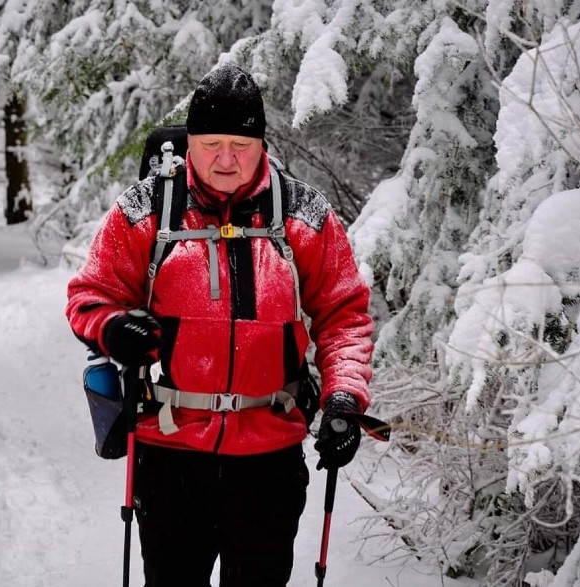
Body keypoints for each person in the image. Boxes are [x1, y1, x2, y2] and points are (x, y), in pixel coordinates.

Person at [66, 64, 373, 587]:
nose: (225, 159)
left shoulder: (304, 215)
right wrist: (114, 328)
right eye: (211, 143)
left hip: (269, 458)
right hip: (169, 453)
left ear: (261, 144)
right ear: (190, 142)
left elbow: (344, 316)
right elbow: (89, 296)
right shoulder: (147, 210)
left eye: (240, 143)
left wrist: (344, 397)